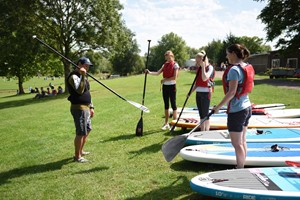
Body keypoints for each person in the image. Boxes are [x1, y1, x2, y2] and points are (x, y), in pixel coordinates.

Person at [212, 44, 253, 169]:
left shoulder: (234, 70)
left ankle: (240, 168)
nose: (226, 56)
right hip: (247, 107)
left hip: (237, 111)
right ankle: (242, 165)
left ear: (233, 54)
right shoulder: (245, 66)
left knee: (236, 143)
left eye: (227, 53)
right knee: (242, 141)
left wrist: (218, 107)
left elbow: (232, 92)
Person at [67, 57, 95, 163]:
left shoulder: (83, 76)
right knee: (80, 132)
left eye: (88, 66)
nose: (87, 68)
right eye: (85, 65)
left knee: (87, 130)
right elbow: (79, 90)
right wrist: (83, 75)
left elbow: (87, 92)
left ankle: (81, 151)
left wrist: (91, 106)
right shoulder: (73, 76)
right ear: (79, 64)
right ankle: (77, 156)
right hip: (78, 108)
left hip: (86, 108)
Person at [146, 50, 179, 130]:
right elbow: (158, 73)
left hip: (172, 86)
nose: (168, 59)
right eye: (167, 58)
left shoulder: (175, 65)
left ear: (172, 56)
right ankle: (166, 123)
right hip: (165, 87)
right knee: (166, 105)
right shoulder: (164, 65)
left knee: (173, 104)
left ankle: (174, 123)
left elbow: (175, 77)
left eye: (169, 57)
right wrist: (149, 72)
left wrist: (165, 80)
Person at [190, 50, 214, 131]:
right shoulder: (199, 68)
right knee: (201, 114)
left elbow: (204, 78)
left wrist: (203, 67)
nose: (197, 63)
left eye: (198, 61)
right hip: (198, 93)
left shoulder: (209, 67)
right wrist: (190, 92)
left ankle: (207, 131)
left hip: (206, 93)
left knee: (205, 114)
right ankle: (202, 130)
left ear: (202, 59)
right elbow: (197, 83)